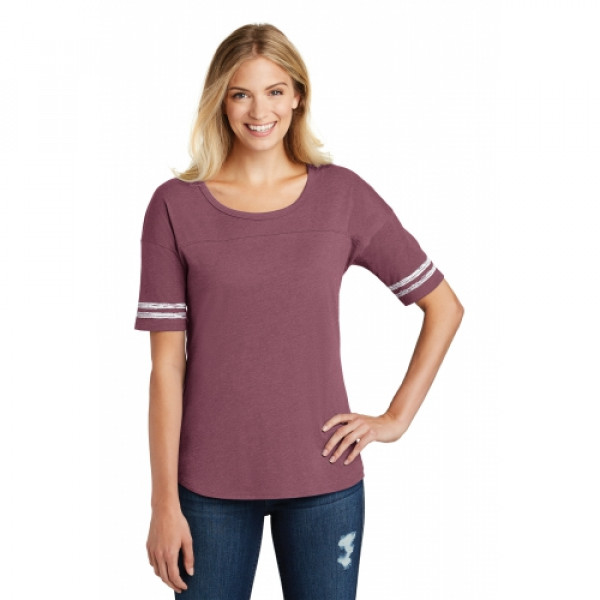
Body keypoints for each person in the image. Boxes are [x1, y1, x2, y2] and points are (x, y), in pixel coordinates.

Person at [134, 23, 464, 600]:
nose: (259, 110)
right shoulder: (174, 206)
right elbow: (166, 368)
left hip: (324, 480)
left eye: (275, 91)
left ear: (297, 97)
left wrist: (395, 419)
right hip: (207, 488)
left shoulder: (343, 196)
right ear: (220, 101)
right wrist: (164, 502)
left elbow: (444, 306)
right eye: (241, 94)